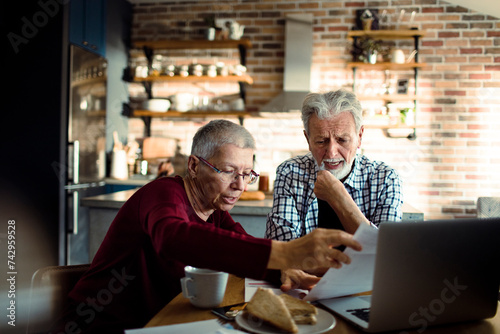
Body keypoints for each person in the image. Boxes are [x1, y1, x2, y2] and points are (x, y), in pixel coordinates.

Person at [51, 119, 362, 333]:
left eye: (248, 173)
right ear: (194, 165)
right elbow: (173, 238)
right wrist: (284, 252)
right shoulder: (163, 193)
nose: (239, 185)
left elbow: (237, 245)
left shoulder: (214, 209)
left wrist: (282, 272)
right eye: (228, 171)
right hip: (97, 324)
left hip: (156, 321)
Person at [265, 89, 403, 291]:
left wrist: (337, 196)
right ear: (308, 140)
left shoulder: (385, 178)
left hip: (365, 291)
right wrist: (291, 267)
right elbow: (283, 251)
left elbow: (386, 258)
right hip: (303, 289)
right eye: (321, 141)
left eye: (342, 140)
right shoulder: (290, 172)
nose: (331, 152)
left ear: (359, 137)